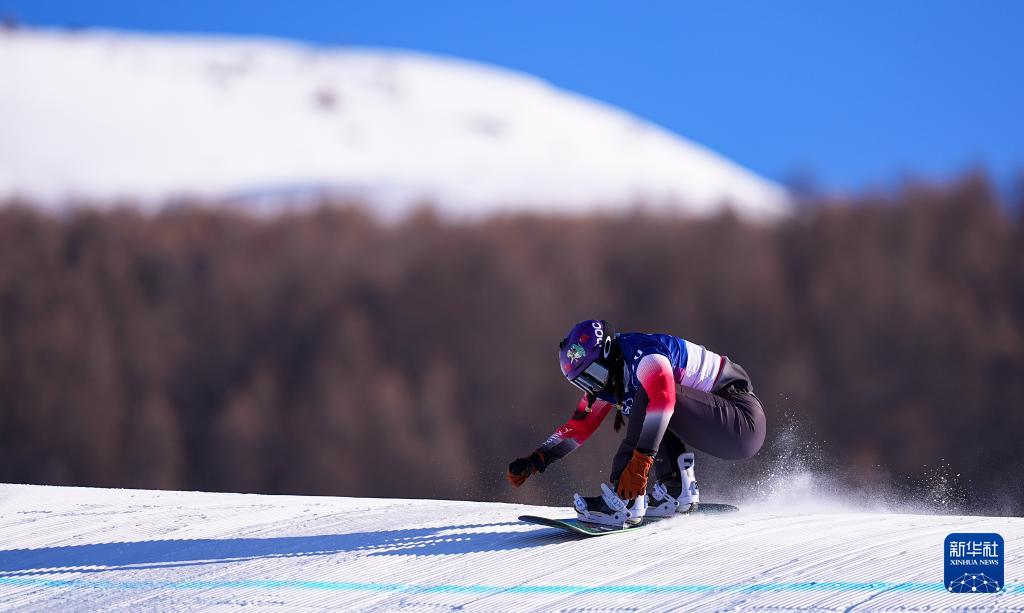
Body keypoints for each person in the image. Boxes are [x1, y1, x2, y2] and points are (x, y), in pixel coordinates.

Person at [507, 319, 766, 526]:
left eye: (593, 375)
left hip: (741, 421)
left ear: (607, 353)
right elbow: (579, 427)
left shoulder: (644, 355)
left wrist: (640, 463)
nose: (594, 386)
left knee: (650, 394)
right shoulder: (610, 379)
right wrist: (537, 459)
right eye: (584, 381)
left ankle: (626, 500)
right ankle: (676, 488)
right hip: (725, 425)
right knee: (646, 400)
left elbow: (664, 398)